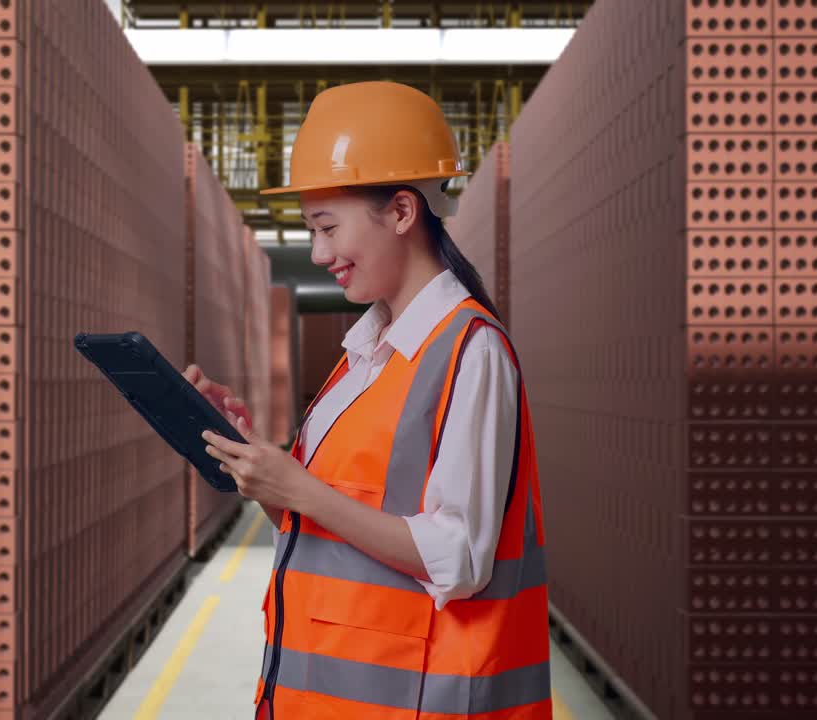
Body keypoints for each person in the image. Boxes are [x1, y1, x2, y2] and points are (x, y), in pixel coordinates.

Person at [183, 80, 551, 719]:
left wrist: (299, 488)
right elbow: (317, 530)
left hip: (419, 702)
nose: (319, 253)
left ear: (403, 212)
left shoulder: (472, 352)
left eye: (327, 228)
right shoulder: (362, 360)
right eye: (310, 230)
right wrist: (259, 469)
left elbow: (459, 558)